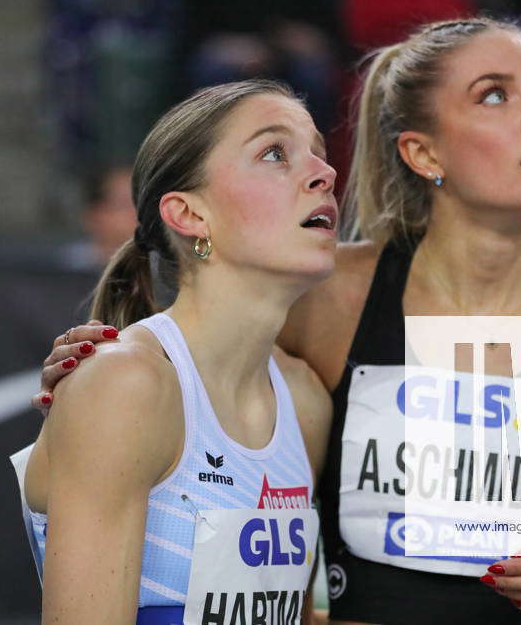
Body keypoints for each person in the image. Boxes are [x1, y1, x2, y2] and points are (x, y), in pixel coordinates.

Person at [35, 18, 521, 623]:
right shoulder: (326, 297)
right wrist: (98, 375)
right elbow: (193, 366)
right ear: (423, 153)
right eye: (495, 95)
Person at [18, 79, 337, 624]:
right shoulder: (127, 385)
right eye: (275, 152)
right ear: (190, 215)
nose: (325, 173)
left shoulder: (305, 400)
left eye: (319, 153)